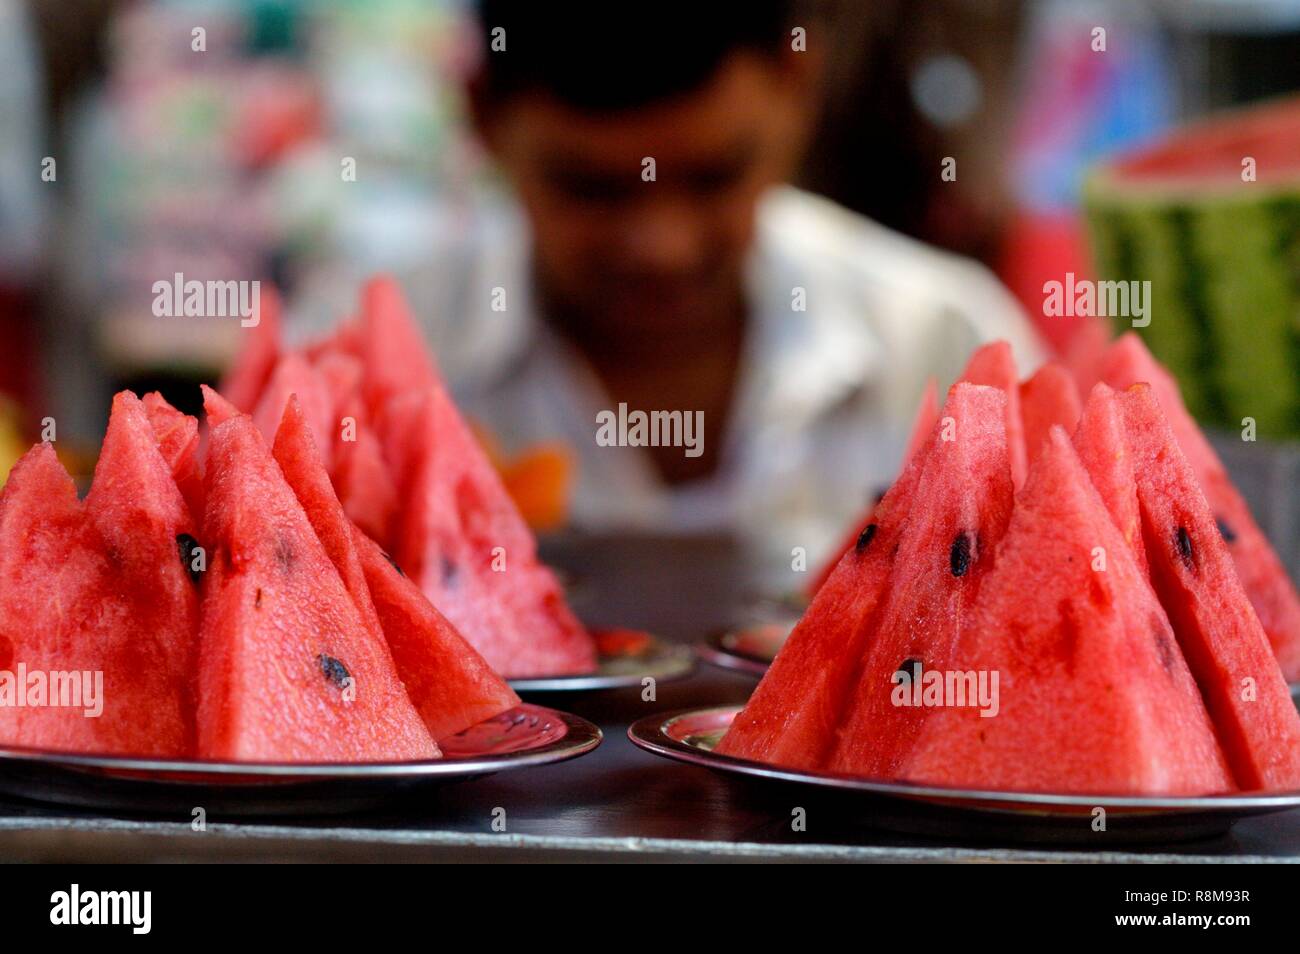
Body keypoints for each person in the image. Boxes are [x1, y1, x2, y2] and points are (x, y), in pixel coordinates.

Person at [386, 2, 1042, 575]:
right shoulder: (367, 364)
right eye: (591, 188)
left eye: (715, 176)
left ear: (798, 83)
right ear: (481, 113)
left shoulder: (951, 338)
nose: (663, 247)